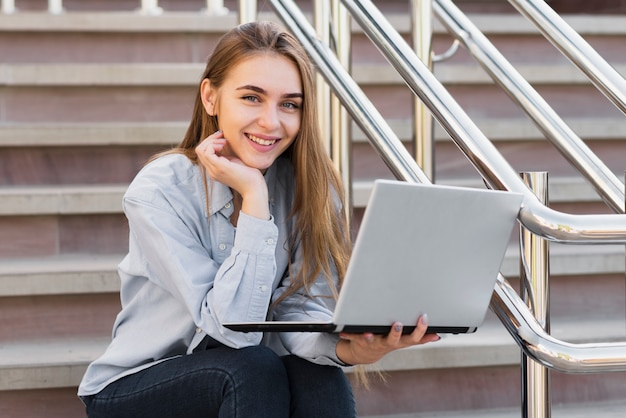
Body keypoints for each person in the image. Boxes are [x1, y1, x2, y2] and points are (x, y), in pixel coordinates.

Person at [77, 21, 440, 418]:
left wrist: (350, 348)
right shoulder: (160, 190)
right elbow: (232, 329)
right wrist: (254, 198)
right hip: (138, 387)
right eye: (252, 98)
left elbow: (300, 312)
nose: (271, 122)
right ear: (211, 97)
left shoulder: (311, 189)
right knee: (254, 366)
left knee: (317, 374)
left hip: (249, 384)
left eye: (289, 104)